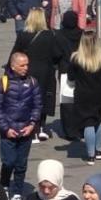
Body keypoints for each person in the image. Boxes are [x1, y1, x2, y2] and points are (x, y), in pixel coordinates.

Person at [0, 51, 42, 200]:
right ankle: (4, 186)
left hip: (26, 130)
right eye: (22, 65)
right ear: (13, 66)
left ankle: (17, 194)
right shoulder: (3, 83)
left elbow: (37, 105)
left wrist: (32, 124)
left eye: (27, 64)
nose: (26, 68)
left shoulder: (33, 82)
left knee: (21, 164)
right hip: (9, 131)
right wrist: (6, 128)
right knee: (8, 162)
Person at [11, 8, 65, 142]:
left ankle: (32, 130)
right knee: (43, 100)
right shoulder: (50, 35)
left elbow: (15, 53)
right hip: (46, 72)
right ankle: (41, 128)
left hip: (28, 72)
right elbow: (57, 54)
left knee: (29, 101)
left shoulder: (23, 35)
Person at [66, 30, 101, 165]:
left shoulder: (76, 58)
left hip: (83, 95)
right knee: (98, 120)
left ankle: (90, 154)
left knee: (87, 123)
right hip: (100, 94)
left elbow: (71, 77)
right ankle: (99, 150)